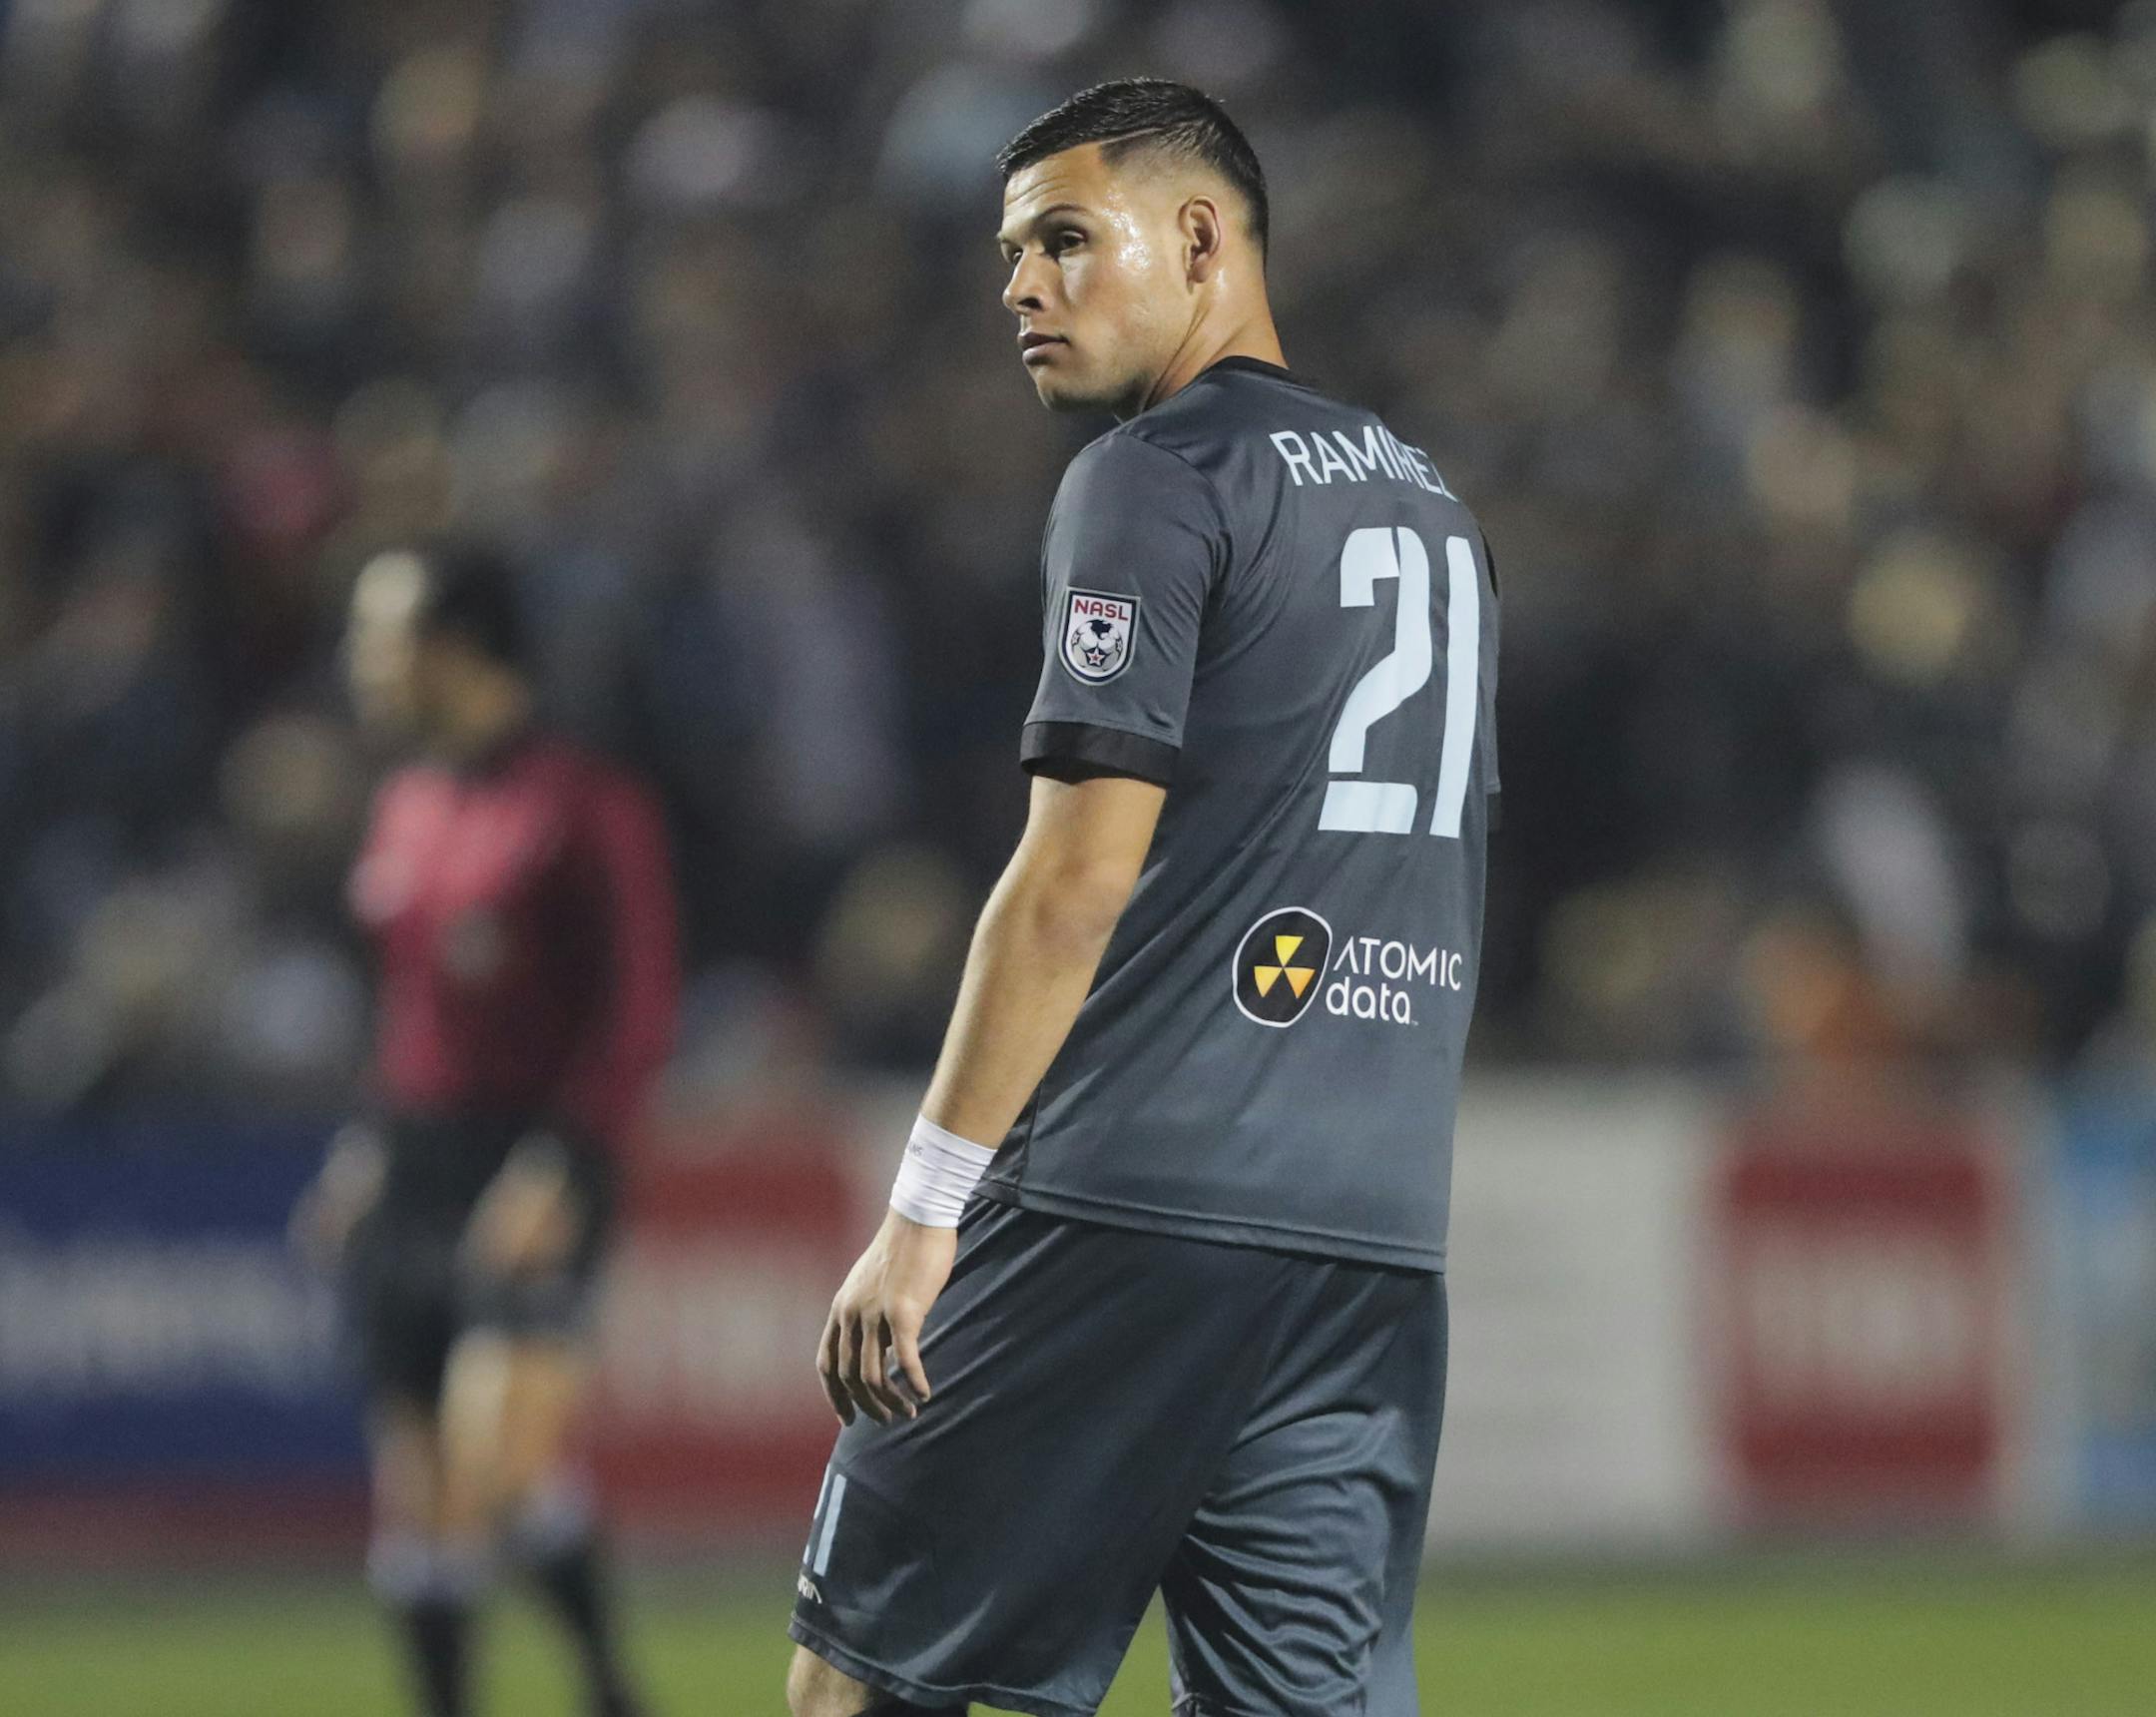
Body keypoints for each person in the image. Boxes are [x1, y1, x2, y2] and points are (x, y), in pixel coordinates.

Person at [787, 79, 1500, 1717]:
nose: (1020, 286)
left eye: (1061, 238)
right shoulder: (1436, 511)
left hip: (1132, 1203)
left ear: (1197, 237)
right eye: (1009, 256)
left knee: (858, 1684)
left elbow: (1074, 880)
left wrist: (923, 1215)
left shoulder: (1156, 476)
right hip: (1369, 1237)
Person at [292, 540, 679, 1717]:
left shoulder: (582, 804)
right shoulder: (405, 802)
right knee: (425, 1497)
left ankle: (610, 1688)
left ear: (454, 648)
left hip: (533, 1165)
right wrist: (365, 1151)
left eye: (382, 634)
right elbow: (408, 1011)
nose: (363, 660)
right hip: (415, 1162)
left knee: (485, 1470)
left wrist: (560, 1167)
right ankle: (606, 1691)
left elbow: (636, 1007)